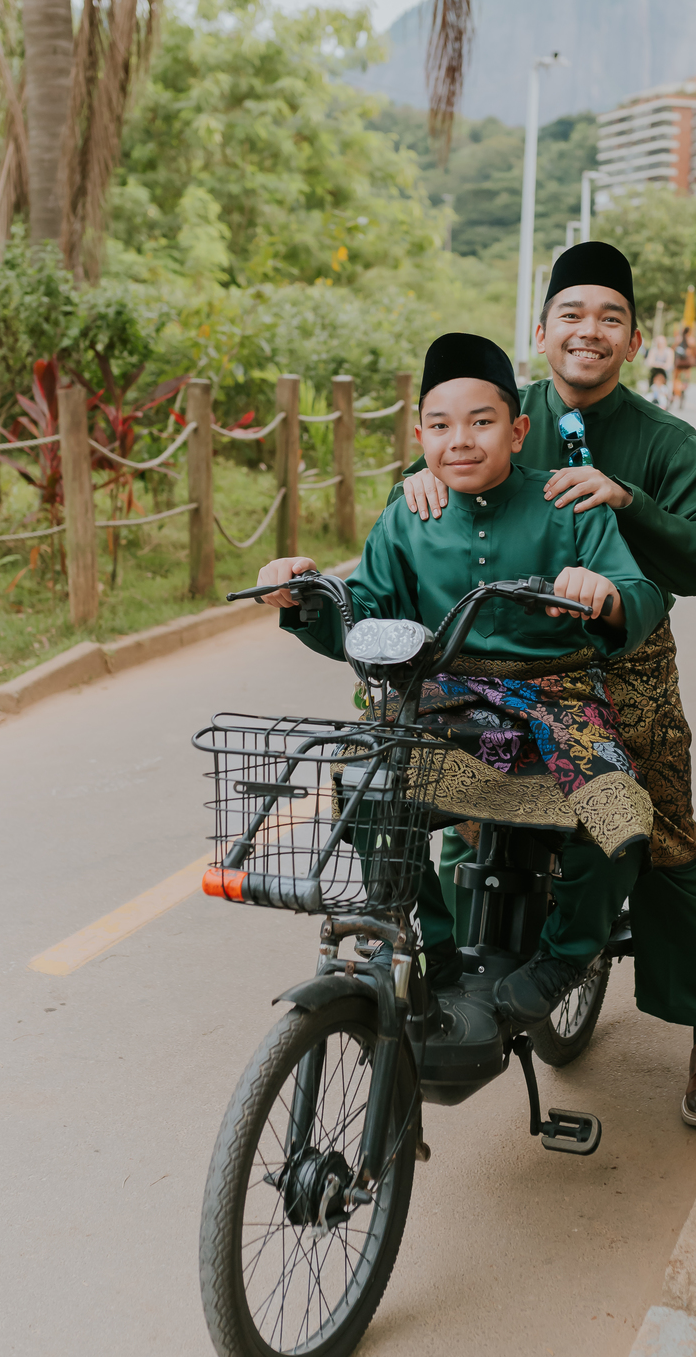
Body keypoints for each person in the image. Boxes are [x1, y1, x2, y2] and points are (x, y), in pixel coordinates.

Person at [395, 242, 696, 1130]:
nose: (590, 332)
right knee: (452, 798)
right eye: (573, 316)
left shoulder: (669, 443)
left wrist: (629, 501)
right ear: (541, 331)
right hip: (494, 666)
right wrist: (420, 481)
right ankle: (461, 964)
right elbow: (444, 461)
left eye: (611, 319)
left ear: (632, 340)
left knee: (660, 830)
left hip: (623, 666)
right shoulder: (503, 412)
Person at [256, 332, 666, 1023]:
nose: (462, 440)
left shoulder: (568, 502)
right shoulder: (407, 516)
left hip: (558, 699)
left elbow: (640, 592)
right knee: (367, 792)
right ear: (421, 435)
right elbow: (369, 625)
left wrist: (606, 592)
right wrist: (299, 597)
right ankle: (437, 951)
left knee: (619, 817)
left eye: (482, 421)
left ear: (518, 430)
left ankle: (564, 956)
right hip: (445, 697)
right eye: (441, 426)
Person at [671, 324, 695, 413]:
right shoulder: (690, 339)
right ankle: (681, 394)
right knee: (684, 381)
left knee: (678, 380)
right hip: (685, 364)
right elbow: (693, 350)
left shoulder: (679, 339)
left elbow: (673, 348)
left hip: (680, 364)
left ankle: (678, 394)